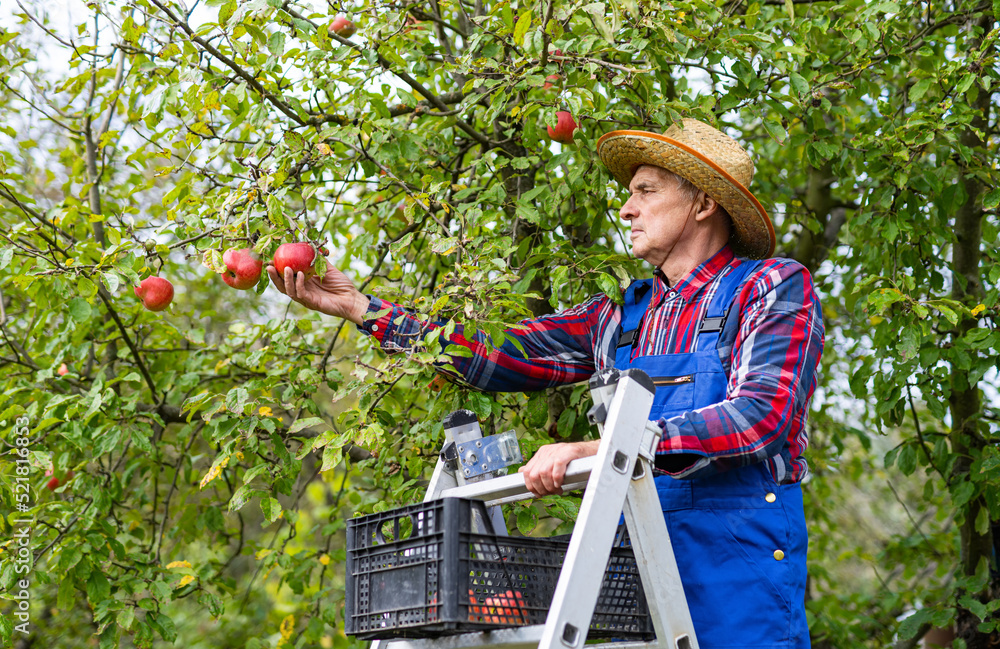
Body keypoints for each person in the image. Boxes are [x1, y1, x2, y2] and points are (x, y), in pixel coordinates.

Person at [268, 118, 824, 649]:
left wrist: (609, 447)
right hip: (642, 574)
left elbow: (760, 417)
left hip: (737, 577)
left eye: (646, 190)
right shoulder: (619, 316)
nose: (627, 208)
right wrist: (362, 308)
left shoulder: (769, 287)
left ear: (703, 203)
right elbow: (494, 353)